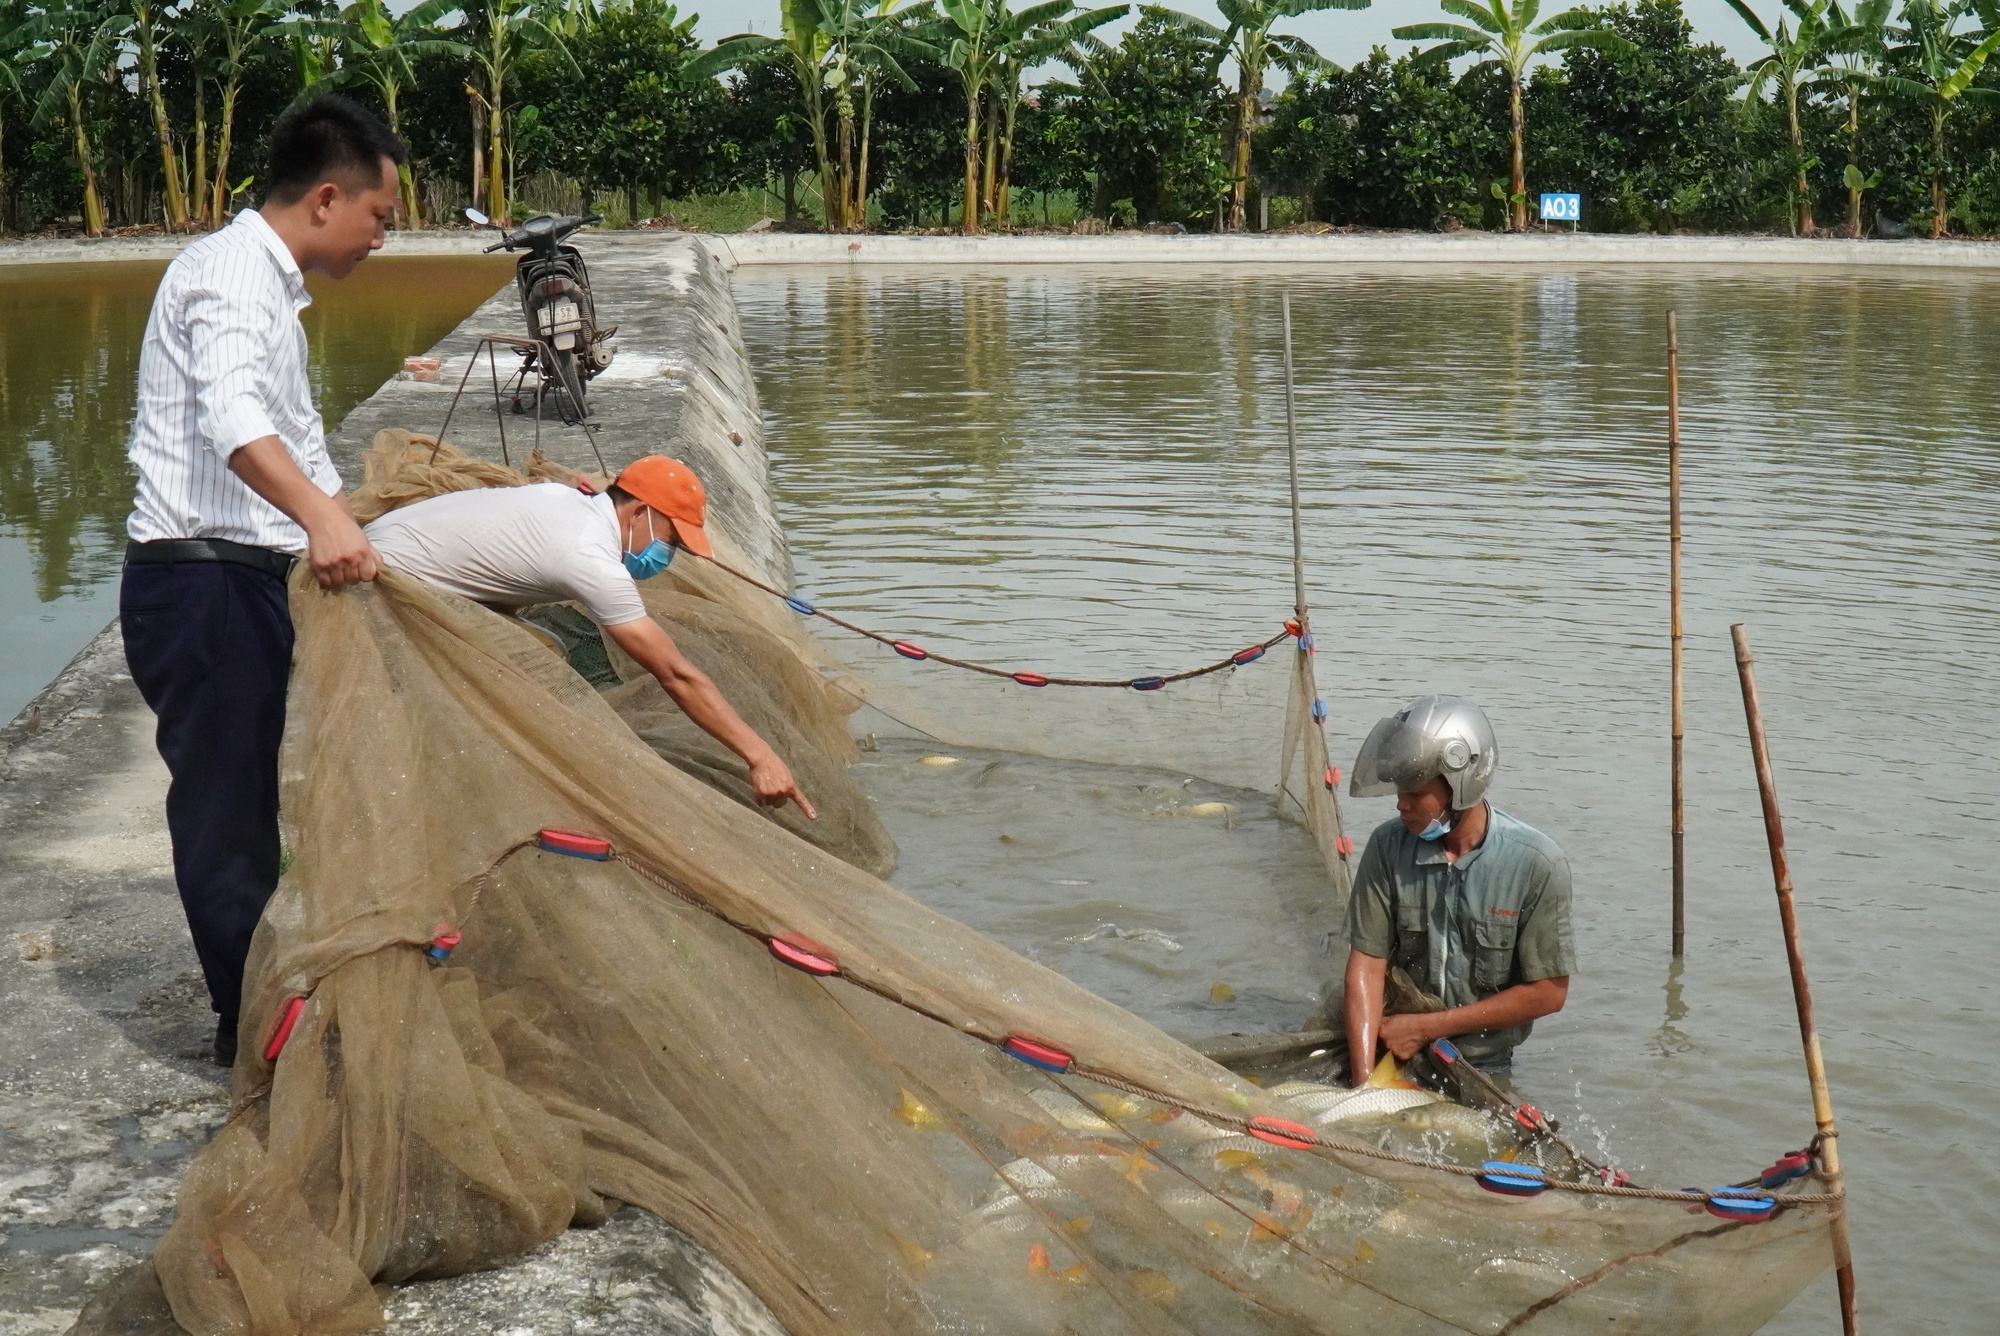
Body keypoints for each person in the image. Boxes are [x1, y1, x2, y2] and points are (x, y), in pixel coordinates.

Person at [120, 94, 399, 1068]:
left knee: (251, 802)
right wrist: (322, 519)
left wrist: (351, 522)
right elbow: (236, 420)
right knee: (226, 813)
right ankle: (256, 1040)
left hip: (237, 579)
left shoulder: (264, 284)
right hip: (201, 586)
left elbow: (297, 441)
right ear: (327, 198)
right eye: (379, 218)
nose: (380, 237)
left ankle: (268, 1005)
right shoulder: (236, 278)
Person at [363, 455, 817, 820]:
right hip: (376, 587)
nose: (668, 556)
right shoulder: (591, 558)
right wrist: (759, 755)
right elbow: (677, 675)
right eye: (671, 540)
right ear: (639, 512)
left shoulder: (563, 498)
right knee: (537, 670)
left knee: (542, 647)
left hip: (379, 547)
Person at [1327, 695, 1573, 1086]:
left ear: (1460, 784)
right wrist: (1366, 1084)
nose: (1401, 805)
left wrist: (1427, 1028)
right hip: (1388, 1046)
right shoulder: (1387, 847)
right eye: (1398, 791)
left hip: (1481, 1064)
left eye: (1415, 793)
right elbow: (1366, 966)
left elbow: (1548, 993)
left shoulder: (1537, 864)